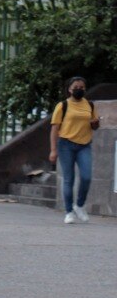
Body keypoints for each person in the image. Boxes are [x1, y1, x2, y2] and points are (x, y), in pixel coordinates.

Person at [50, 76, 101, 224]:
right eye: (76, 88)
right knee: (69, 179)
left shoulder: (89, 105)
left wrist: (95, 123)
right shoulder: (63, 105)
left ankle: (79, 205)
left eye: (81, 88)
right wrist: (53, 150)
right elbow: (54, 129)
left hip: (84, 145)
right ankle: (69, 212)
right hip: (66, 144)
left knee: (86, 177)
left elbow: (95, 126)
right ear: (69, 89)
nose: (79, 90)